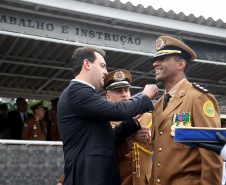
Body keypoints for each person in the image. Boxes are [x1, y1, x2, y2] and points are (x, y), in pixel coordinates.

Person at [57, 46, 158, 185]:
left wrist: (131, 120)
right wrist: (144, 97)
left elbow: (107, 140)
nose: (105, 72)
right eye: (102, 66)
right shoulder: (77, 92)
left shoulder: (83, 94)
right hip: (90, 177)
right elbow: (117, 110)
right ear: (87, 64)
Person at [150, 36, 223, 185]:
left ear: (181, 64)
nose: (155, 63)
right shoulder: (157, 105)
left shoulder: (198, 98)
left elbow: (212, 155)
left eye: (163, 58)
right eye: (156, 59)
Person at [104, 69, 153, 185]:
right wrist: (129, 141)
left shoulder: (147, 117)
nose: (124, 94)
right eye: (118, 91)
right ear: (108, 97)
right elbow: (102, 155)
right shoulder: (104, 122)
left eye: (126, 90)